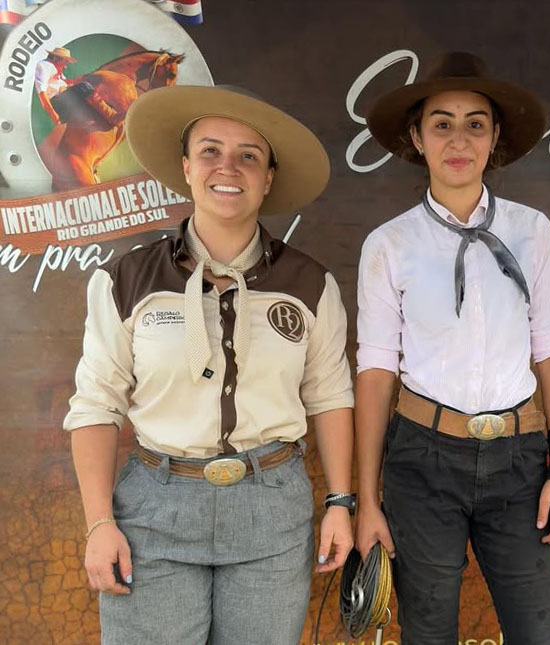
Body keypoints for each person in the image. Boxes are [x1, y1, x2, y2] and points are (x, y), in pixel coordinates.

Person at [63, 85, 355, 644]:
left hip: (271, 508)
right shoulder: (127, 279)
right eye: (210, 152)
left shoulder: (309, 283)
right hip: (156, 510)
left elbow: (330, 395)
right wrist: (99, 523)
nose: (228, 168)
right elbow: (97, 404)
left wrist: (340, 502)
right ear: (186, 168)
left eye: (249, 156)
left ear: (268, 177)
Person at [354, 52, 550, 645]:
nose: (459, 140)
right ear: (417, 138)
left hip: (520, 459)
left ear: (495, 135)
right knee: (428, 631)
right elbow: (375, 371)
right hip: (422, 459)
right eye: (442, 124)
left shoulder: (533, 231)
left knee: (538, 632)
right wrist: (367, 500)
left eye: (475, 124)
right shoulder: (389, 244)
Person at [34, 47, 75, 125]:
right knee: (84, 88)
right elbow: (42, 92)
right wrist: (53, 115)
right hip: (58, 102)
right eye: (65, 61)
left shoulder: (56, 68)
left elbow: (63, 83)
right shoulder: (45, 65)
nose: (66, 66)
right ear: (56, 58)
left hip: (65, 98)